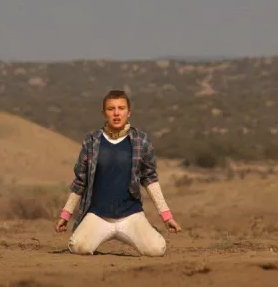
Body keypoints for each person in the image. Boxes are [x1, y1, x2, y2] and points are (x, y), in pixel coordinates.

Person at [54, 89, 182, 257]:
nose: (116, 113)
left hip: (130, 215)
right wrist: (66, 214)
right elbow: (80, 180)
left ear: (129, 112)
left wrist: (166, 216)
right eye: (111, 108)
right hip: (98, 215)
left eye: (121, 108)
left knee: (156, 250)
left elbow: (150, 179)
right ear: (103, 113)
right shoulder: (92, 141)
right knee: (79, 247)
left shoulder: (141, 141)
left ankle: (146, 230)